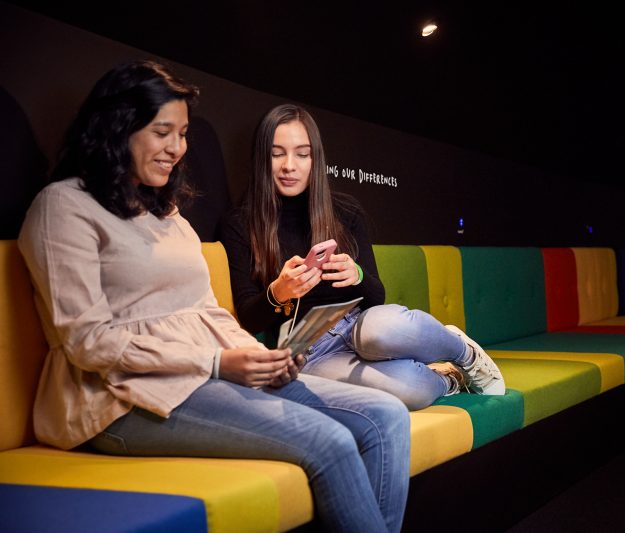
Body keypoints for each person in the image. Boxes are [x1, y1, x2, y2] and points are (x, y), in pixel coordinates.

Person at [18, 60, 410, 533]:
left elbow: (208, 312)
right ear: (119, 126)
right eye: (164, 132)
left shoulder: (169, 217)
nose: (177, 148)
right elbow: (86, 342)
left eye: (182, 134)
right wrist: (217, 365)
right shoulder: (63, 206)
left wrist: (262, 356)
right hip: (112, 401)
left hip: (200, 379)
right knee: (329, 441)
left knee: (386, 416)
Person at [220, 104, 506, 411]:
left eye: (302, 154)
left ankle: (465, 354)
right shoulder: (240, 223)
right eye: (278, 153)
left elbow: (376, 297)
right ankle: (448, 379)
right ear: (263, 158)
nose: (290, 165)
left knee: (384, 329)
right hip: (311, 353)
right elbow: (249, 318)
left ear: (315, 159)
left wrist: (357, 275)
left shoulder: (346, 211)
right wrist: (279, 293)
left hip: (359, 324)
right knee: (409, 390)